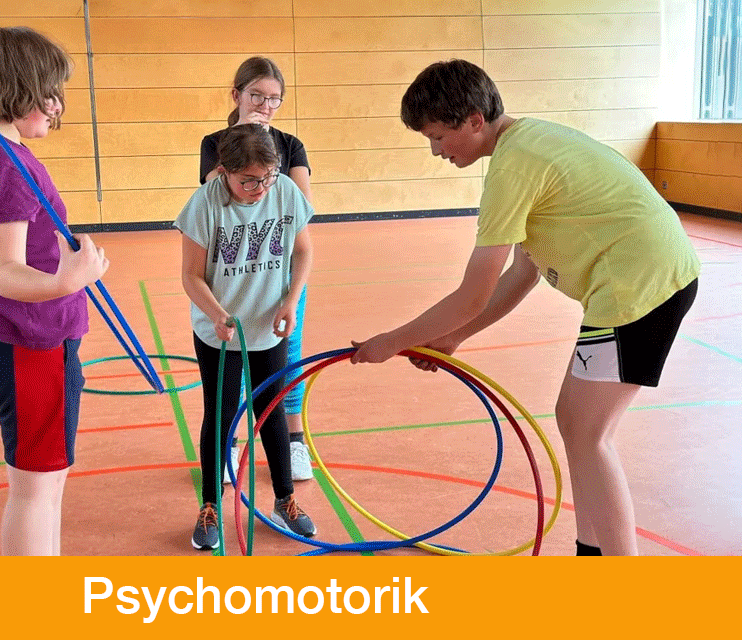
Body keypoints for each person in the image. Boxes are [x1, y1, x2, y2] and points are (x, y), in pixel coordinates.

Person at [350, 59, 700, 556]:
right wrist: (453, 337)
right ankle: (591, 554)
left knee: (589, 435)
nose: (435, 151)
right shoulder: (526, 143)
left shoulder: (514, 166)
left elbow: (473, 292)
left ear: (473, 119)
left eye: (437, 137)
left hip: (639, 290)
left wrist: (390, 341)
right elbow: (522, 272)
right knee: (578, 427)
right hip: (638, 282)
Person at [0, 27, 109, 555]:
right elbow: (7, 272)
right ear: (16, 89)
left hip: (16, 339)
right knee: (37, 490)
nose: (57, 107)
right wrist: (69, 279)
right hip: (25, 343)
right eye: (48, 94)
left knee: (45, 483)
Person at [177, 124, 317, 551]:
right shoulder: (204, 206)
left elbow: (304, 250)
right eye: (249, 181)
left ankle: (285, 500)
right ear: (224, 172)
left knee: (271, 412)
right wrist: (218, 315)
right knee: (219, 415)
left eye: (268, 177)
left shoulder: (285, 192)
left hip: (267, 325)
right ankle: (209, 507)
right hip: (219, 330)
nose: (260, 188)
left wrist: (291, 301)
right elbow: (191, 276)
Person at [200, 56, 315, 482]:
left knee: (288, 357)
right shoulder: (215, 142)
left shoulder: (289, 144)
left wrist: (266, 151)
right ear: (237, 95)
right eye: (257, 96)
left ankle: (294, 442)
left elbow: (301, 205)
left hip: (278, 275)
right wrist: (241, 139)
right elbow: (214, 192)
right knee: (231, 365)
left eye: (274, 99)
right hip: (232, 272)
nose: (265, 105)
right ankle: (228, 443)